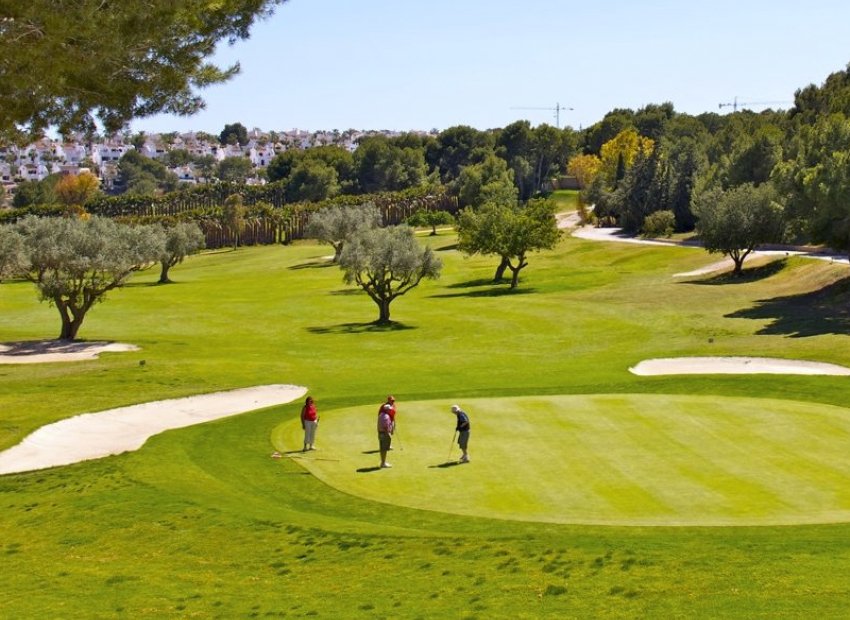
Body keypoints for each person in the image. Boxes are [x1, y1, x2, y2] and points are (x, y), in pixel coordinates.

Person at [377, 403, 394, 468]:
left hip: (380, 433)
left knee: (382, 448)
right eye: (389, 410)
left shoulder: (381, 415)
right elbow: (386, 428)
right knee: (384, 449)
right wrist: (389, 436)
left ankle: (382, 462)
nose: (390, 410)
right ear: (387, 410)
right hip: (384, 434)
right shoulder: (386, 417)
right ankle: (383, 463)